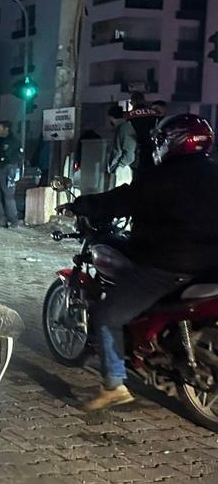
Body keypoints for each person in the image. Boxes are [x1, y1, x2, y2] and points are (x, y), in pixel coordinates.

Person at [60, 114, 218, 410]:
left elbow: (121, 200)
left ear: (175, 141)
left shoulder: (162, 179)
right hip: (209, 266)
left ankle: (114, 385)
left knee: (106, 315)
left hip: (169, 267)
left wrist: (81, 205)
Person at [0, 121, 22, 227]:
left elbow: (12, 156)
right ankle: (0, 218)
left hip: (8, 170)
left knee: (8, 196)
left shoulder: (13, 141)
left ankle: (13, 220)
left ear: (6, 129)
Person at [125, 93, 160, 175]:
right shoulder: (154, 113)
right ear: (144, 101)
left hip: (136, 148)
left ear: (133, 102)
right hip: (152, 147)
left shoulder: (129, 115)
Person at [105, 104, 137, 190]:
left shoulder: (124, 128)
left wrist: (120, 166)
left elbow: (129, 153)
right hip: (120, 167)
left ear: (111, 117)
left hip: (122, 169)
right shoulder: (122, 128)